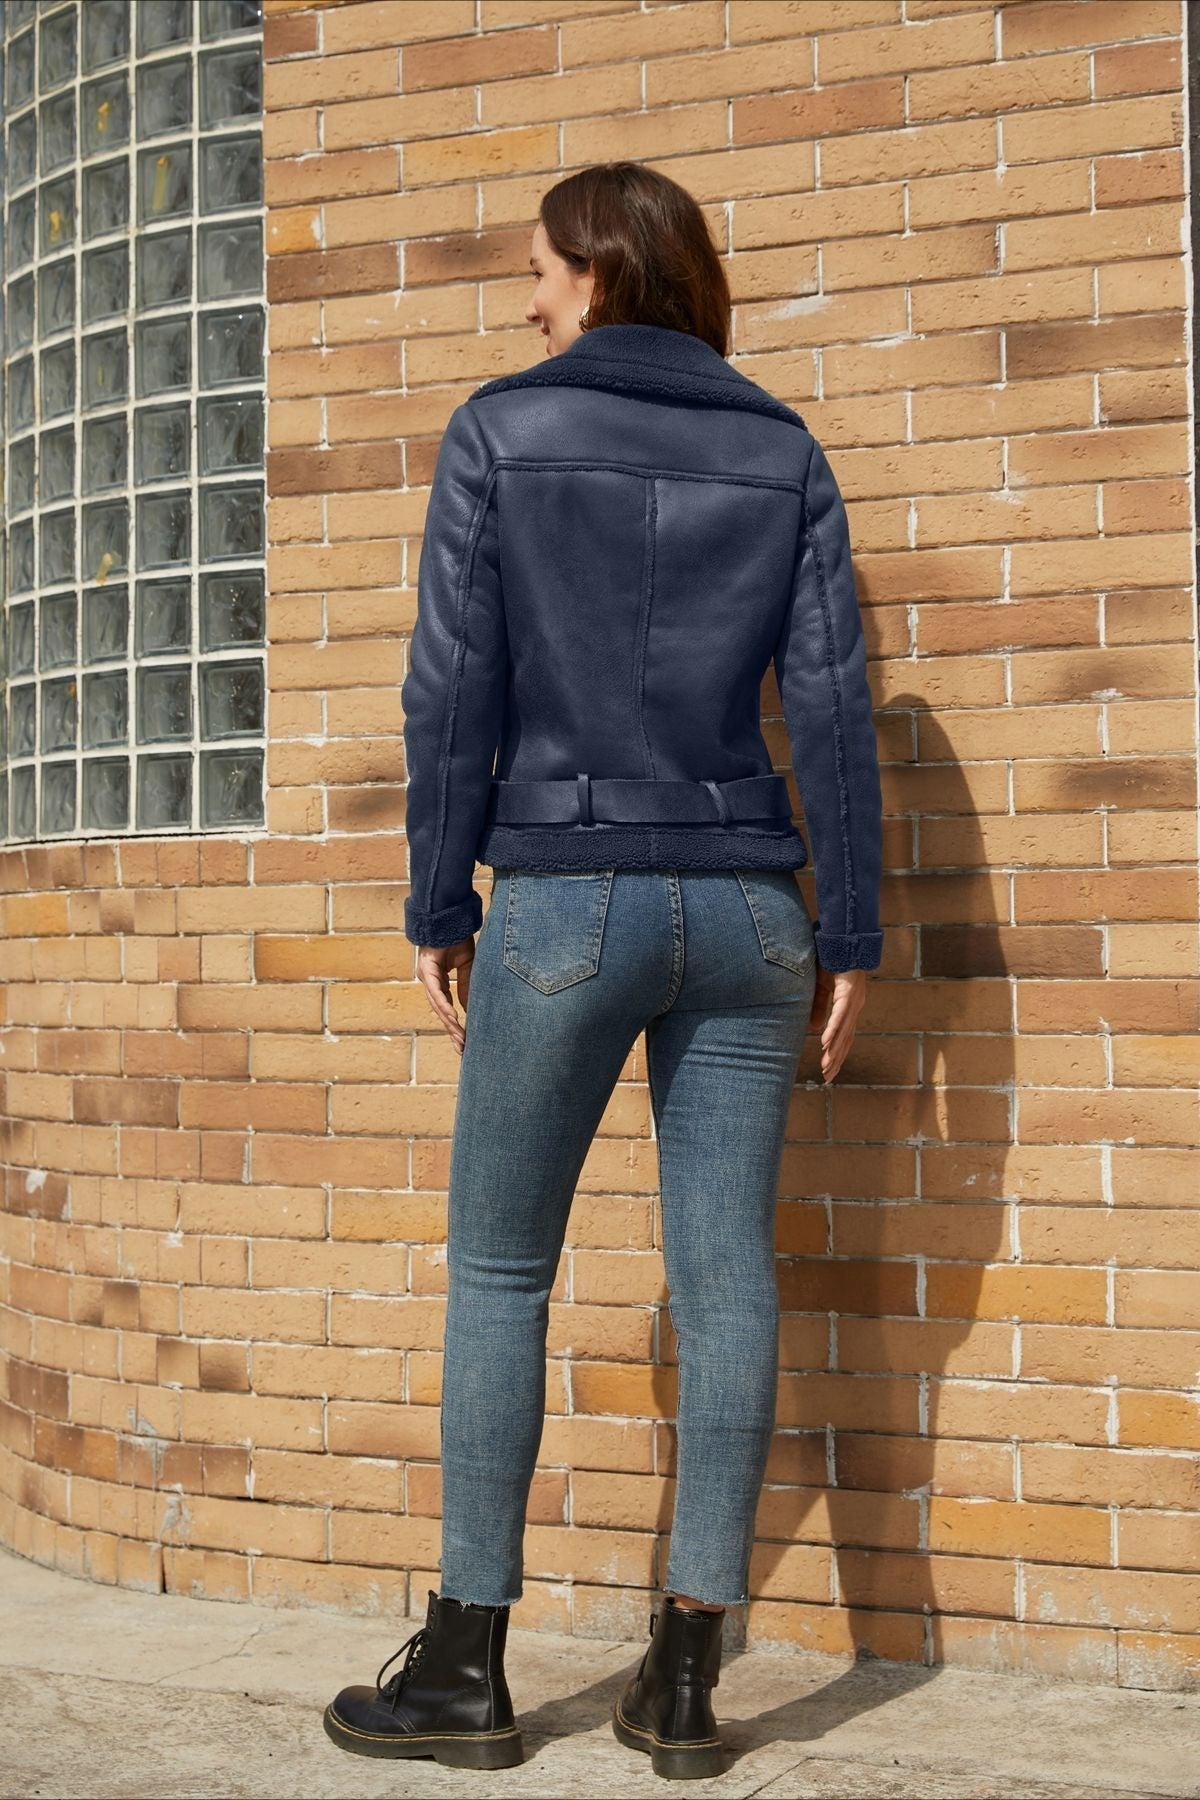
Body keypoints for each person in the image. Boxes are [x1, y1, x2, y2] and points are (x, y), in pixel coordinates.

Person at [323, 160, 884, 1781]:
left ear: (602, 268)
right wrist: (849, 929)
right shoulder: (781, 448)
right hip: (753, 909)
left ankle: (463, 1672)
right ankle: (687, 1683)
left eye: (541, 271)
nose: (527, 302)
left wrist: (440, 896)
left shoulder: (503, 432)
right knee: (728, 1282)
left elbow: (450, 690)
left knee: (503, 1272)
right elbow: (832, 709)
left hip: (567, 904)